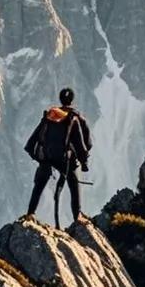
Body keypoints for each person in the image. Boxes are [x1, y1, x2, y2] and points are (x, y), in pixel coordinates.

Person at [24, 87, 92, 226]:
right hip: (65, 159)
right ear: (72, 100)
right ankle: (77, 215)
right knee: (73, 184)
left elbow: (33, 139)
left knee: (39, 184)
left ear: (60, 99)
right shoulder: (74, 118)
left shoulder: (50, 115)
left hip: (47, 157)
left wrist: (38, 157)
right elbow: (82, 145)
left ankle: (30, 213)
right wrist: (84, 162)